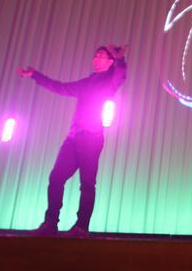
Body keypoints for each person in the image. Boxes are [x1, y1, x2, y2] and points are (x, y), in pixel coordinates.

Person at [17, 44, 127, 237]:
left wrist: (120, 60)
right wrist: (35, 75)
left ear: (110, 62)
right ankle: (50, 224)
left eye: (100, 56)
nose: (95, 59)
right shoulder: (87, 82)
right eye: (95, 55)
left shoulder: (110, 81)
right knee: (56, 178)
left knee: (87, 184)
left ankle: (81, 227)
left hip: (91, 138)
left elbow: (120, 75)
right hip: (73, 137)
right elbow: (60, 87)